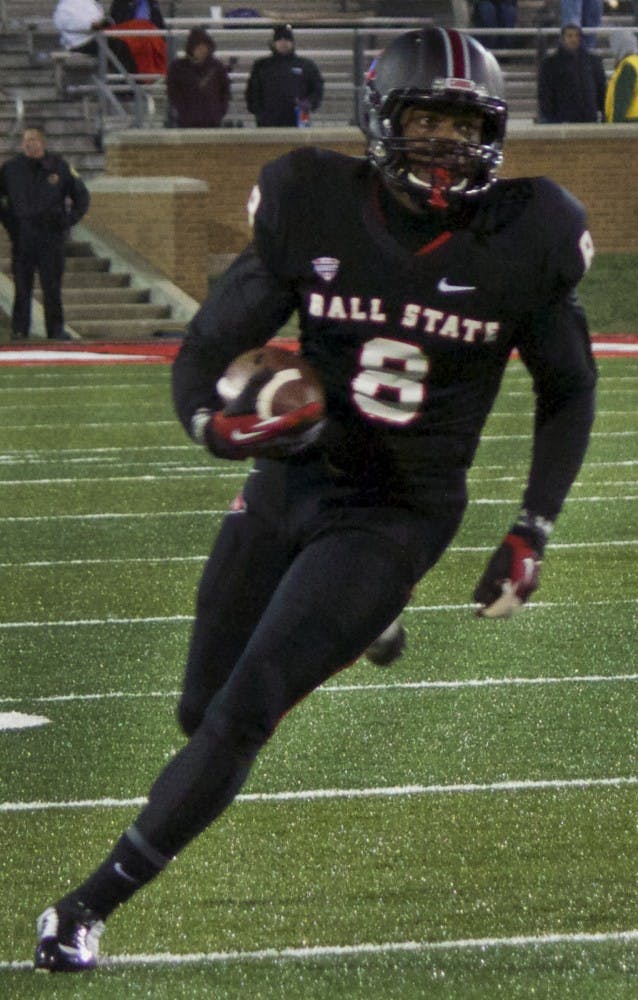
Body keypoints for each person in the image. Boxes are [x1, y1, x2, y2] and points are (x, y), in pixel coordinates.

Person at [33, 26, 597, 972]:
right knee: (199, 708)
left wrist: (532, 524)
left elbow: (569, 386)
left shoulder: (526, 235)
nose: (446, 147)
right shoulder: (314, 204)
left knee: (245, 710)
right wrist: (211, 428)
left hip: (396, 511)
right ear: (383, 119)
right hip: (291, 478)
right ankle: (365, 627)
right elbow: (209, 348)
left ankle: (86, 909)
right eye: (426, 122)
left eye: (465, 128)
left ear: (494, 135)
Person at [0, 127, 89, 342]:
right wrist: (11, 224)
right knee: (22, 288)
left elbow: (81, 197)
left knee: (52, 288)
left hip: (51, 237)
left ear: (42, 143)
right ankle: (20, 330)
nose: (29, 144)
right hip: (23, 238)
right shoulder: (11, 169)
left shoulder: (59, 167)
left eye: (33, 140)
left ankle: (55, 330)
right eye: (25, 140)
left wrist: (66, 222)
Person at [245, 23, 323, 127]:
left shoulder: (306, 65)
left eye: (287, 39)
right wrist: (258, 111)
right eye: (279, 40)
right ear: (273, 43)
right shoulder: (261, 65)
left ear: (293, 42)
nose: (283, 43)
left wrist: (309, 103)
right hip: (268, 121)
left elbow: (317, 88)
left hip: (298, 120)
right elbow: (252, 91)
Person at [537, 23, 606, 122]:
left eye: (577, 36)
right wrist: (549, 116)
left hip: (589, 118)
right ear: (562, 38)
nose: (573, 39)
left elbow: (601, 89)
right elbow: (545, 93)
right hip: (561, 119)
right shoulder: (550, 63)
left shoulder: (593, 61)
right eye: (569, 36)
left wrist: (602, 112)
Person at [167, 26, 230, 127]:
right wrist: (184, 111)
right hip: (187, 122)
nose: (202, 51)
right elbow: (173, 92)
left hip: (212, 121)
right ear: (191, 48)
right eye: (199, 47)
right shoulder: (177, 68)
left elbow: (225, 91)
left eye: (205, 47)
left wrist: (219, 112)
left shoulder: (217, 67)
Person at [53, 0, 138, 75]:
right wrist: (92, 25)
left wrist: (103, 23)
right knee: (121, 45)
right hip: (81, 42)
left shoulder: (91, 3)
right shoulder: (67, 5)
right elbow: (66, 22)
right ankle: (126, 83)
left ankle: (128, 82)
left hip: (96, 37)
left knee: (126, 45)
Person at [109, 0, 167, 76]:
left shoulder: (152, 3)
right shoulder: (120, 3)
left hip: (151, 44)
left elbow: (160, 27)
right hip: (130, 46)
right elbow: (117, 25)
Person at [605, 28, 638, 121]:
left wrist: (615, 129)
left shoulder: (628, 67)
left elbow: (621, 102)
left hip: (629, 124)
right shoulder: (635, 63)